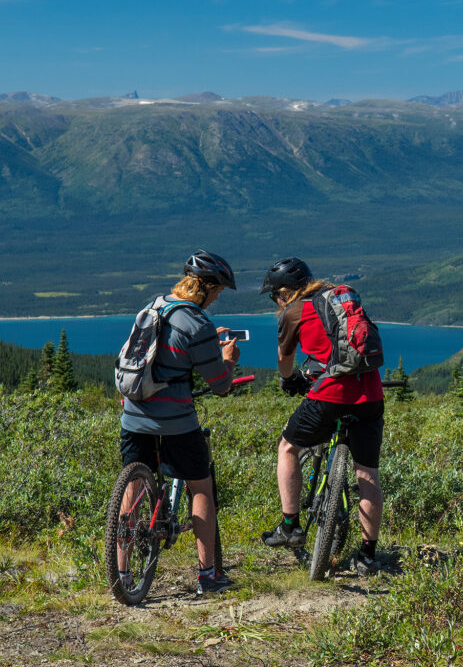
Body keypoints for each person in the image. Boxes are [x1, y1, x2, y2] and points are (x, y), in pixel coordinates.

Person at [118, 250, 240, 595]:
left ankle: (123, 575)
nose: (216, 299)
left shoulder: (153, 307)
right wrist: (228, 359)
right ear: (207, 287)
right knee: (200, 487)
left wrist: (207, 341)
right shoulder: (198, 323)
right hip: (176, 422)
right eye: (217, 292)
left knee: (132, 486)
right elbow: (220, 385)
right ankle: (208, 575)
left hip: (133, 416)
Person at [259, 257, 385, 575]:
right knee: (367, 475)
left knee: (288, 447)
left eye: (275, 296)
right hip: (370, 395)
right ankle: (367, 555)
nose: (277, 302)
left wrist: (289, 379)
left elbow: (285, 358)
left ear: (285, 292)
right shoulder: (341, 302)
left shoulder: (294, 311)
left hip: (330, 394)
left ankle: (290, 526)